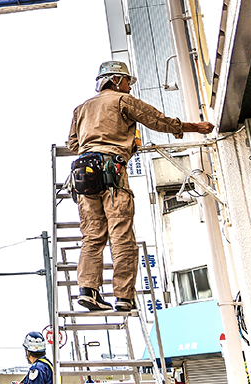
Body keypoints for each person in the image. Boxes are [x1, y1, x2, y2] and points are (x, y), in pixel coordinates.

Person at [67, 60, 214, 312]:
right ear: (115, 80)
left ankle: (87, 291)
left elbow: (72, 144)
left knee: (92, 236)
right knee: (121, 235)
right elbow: (159, 121)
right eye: (127, 81)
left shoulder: (80, 110)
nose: (129, 87)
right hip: (112, 172)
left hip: (84, 175)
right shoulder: (122, 101)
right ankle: (123, 296)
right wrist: (195, 127)